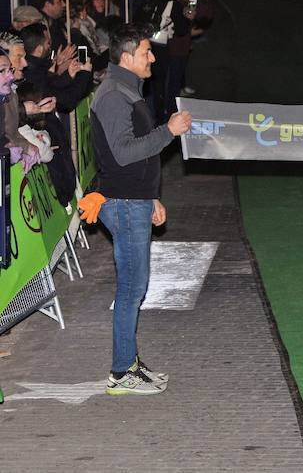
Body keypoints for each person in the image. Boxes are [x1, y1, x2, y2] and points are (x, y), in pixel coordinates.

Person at [84, 23, 192, 396]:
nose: (153, 57)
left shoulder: (126, 88)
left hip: (134, 200)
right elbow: (125, 153)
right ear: (127, 57)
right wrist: (169, 131)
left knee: (134, 286)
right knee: (132, 288)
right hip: (124, 202)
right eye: (147, 51)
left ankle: (128, 361)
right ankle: (120, 371)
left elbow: (134, 156)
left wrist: (152, 197)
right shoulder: (115, 95)